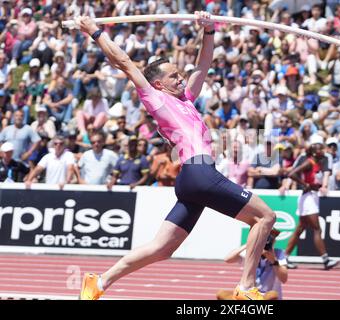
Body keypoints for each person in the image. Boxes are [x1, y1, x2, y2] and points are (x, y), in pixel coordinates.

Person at [77, 12, 275, 301]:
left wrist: (208, 31)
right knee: (265, 217)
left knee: (162, 248)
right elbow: (124, 62)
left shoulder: (187, 100)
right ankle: (245, 289)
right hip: (199, 173)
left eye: (180, 74)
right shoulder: (156, 98)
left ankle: (100, 282)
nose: (181, 78)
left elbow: (203, 65)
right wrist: (94, 31)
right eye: (174, 76)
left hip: (191, 181)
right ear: (158, 84)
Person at [284, 135, 340, 271]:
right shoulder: (309, 162)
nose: (323, 150)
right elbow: (292, 174)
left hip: (311, 197)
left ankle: (283, 258)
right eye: (321, 148)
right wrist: (306, 184)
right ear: (315, 151)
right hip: (308, 197)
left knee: (299, 230)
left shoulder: (318, 163)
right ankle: (326, 260)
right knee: (316, 228)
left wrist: (313, 185)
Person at [216, 229, 287, 300]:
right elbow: (228, 259)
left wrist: (274, 261)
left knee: (272, 295)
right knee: (221, 294)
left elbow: (284, 279)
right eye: (264, 238)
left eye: (271, 238)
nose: (267, 241)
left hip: (268, 296)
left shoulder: (278, 253)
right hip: (250, 295)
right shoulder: (251, 252)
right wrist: (249, 243)